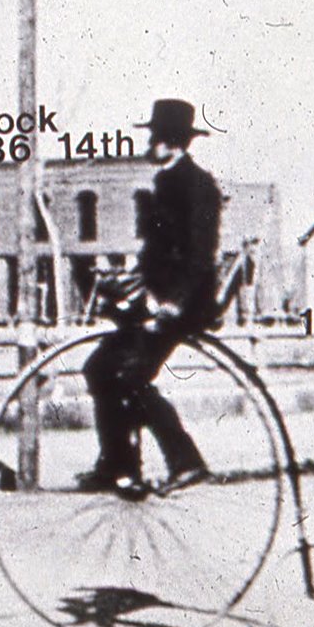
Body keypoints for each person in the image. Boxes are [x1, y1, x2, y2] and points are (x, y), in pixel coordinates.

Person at [79, 99, 221, 497]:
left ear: (171, 141)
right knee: (99, 368)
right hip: (156, 300)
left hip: (183, 304)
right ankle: (116, 464)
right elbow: (158, 253)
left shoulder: (197, 185)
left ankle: (185, 461)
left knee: (131, 376)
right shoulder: (166, 181)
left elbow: (200, 254)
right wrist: (130, 282)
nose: (149, 144)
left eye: (155, 137)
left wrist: (174, 302)